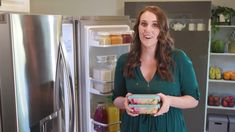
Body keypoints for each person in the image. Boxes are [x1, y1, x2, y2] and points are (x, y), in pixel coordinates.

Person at [112, 6, 200, 132]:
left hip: (169, 127)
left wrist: (169, 101)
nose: (148, 29)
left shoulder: (179, 59)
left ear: (162, 30)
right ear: (138, 28)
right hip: (132, 127)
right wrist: (125, 102)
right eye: (144, 24)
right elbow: (116, 99)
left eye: (155, 25)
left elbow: (193, 100)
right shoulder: (124, 61)